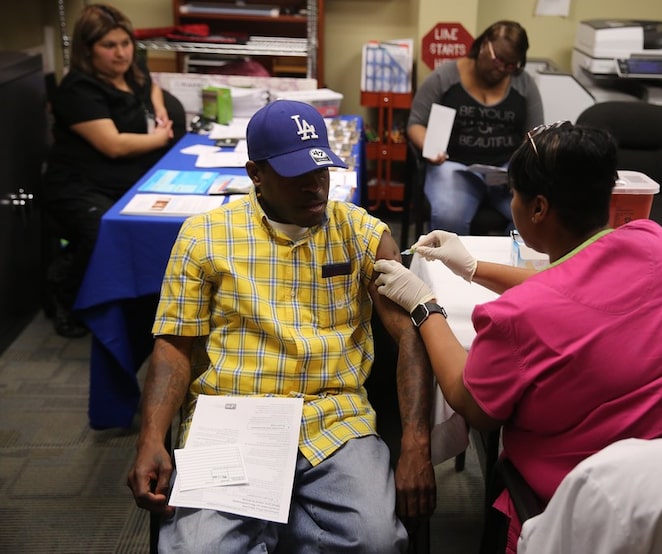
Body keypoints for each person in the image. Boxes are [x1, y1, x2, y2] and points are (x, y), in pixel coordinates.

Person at [374, 123, 662, 554]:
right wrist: (473, 267)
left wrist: (424, 305)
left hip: (605, 514)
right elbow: (569, 280)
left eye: (514, 194)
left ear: (539, 208)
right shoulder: (653, 242)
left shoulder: (516, 318)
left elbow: (473, 404)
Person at [127, 99, 436, 552]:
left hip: (332, 417)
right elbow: (173, 345)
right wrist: (151, 437)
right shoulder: (203, 237)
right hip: (233, 418)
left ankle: (271, 528)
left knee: (377, 541)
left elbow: (411, 334)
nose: (315, 187)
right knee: (197, 550)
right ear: (256, 174)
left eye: (322, 171)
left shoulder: (362, 234)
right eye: (297, 176)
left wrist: (417, 442)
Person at [42, 3, 178, 338]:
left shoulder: (131, 72)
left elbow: (153, 87)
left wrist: (158, 110)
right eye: (109, 46)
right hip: (79, 186)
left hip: (125, 180)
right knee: (102, 231)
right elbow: (113, 144)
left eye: (125, 43)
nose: (121, 53)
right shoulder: (77, 89)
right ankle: (66, 297)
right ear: (88, 51)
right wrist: (160, 137)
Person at [407, 20, 544, 235]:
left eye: (510, 65)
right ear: (483, 44)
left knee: (536, 214)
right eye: (498, 59)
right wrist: (431, 148)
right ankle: (453, 268)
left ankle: (504, 266)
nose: (501, 69)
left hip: (506, 170)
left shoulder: (524, 84)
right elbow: (416, 123)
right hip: (454, 165)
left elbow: (536, 135)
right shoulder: (444, 77)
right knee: (450, 215)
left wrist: (525, 165)